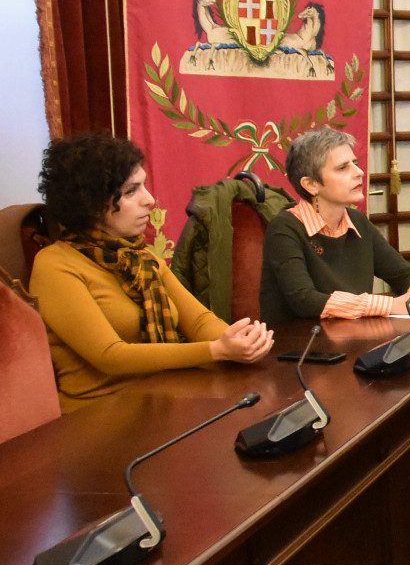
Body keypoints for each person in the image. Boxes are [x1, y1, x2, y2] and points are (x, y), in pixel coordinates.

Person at [30, 135, 273, 409]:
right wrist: (216, 350)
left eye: (143, 186)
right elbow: (110, 356)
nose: (150, 200)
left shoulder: (141, 256)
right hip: (100, 413)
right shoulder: (54, 264)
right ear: (93, 203)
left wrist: (241, 340)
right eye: (132, 191)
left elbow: (198, 322)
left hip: (163, 394)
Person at [260, 127, 410, 327]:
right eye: (342, 168)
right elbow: (304, 300)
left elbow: (403, 274)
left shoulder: (357, 221)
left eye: (355, 164)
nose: (359, 172)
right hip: (301, 348)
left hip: (354, 338)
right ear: (311, 185)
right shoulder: (284, 228)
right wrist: (392, 305)